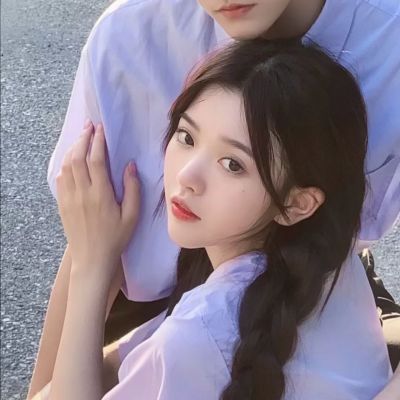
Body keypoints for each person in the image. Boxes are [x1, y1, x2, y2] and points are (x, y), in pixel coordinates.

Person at [28, 0, 400, 397]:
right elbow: (94, 227)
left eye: (233, 164)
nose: (186, 178)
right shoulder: (129, 36)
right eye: (185, 136)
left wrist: (93, 268)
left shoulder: (194, 337)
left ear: (299, 204)